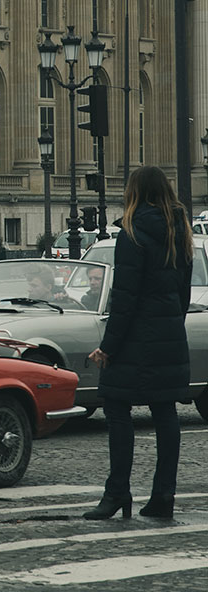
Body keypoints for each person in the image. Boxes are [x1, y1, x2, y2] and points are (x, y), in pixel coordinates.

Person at [84, 165, 193, 522]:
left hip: (136, 338)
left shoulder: (132, 232)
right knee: (165, 412)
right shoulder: (181, 231)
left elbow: (125, 297)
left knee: (116, 408)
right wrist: (171, 329)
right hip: (169, 336)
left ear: (134, 192)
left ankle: (117, 492)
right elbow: (183, 293)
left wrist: (108, 347)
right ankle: (163, 495)